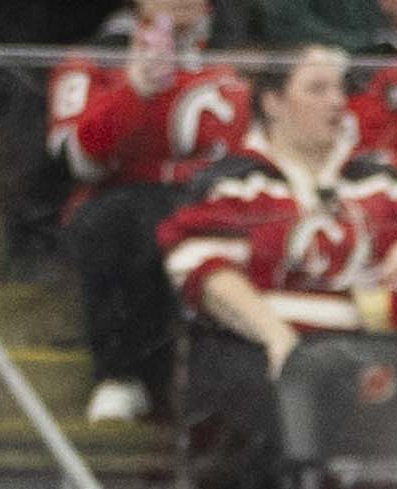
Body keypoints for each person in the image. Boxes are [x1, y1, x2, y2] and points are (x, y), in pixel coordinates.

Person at [159, 47, 397, 489]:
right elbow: (202, 270)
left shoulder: (378, 178)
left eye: (339, 89)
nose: (336, 102)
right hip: (262, 343)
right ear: (272, 103)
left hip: (370, 346)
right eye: (317, 89)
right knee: (260, 405)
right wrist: (277, 337)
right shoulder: (232, 181)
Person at [49, 0, 252, 425]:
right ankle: (122, 376)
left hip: (233, 201)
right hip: (132, 207)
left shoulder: (249, 56)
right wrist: (134, 89)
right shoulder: (95, 59)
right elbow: (81, 162)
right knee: (128, 220)